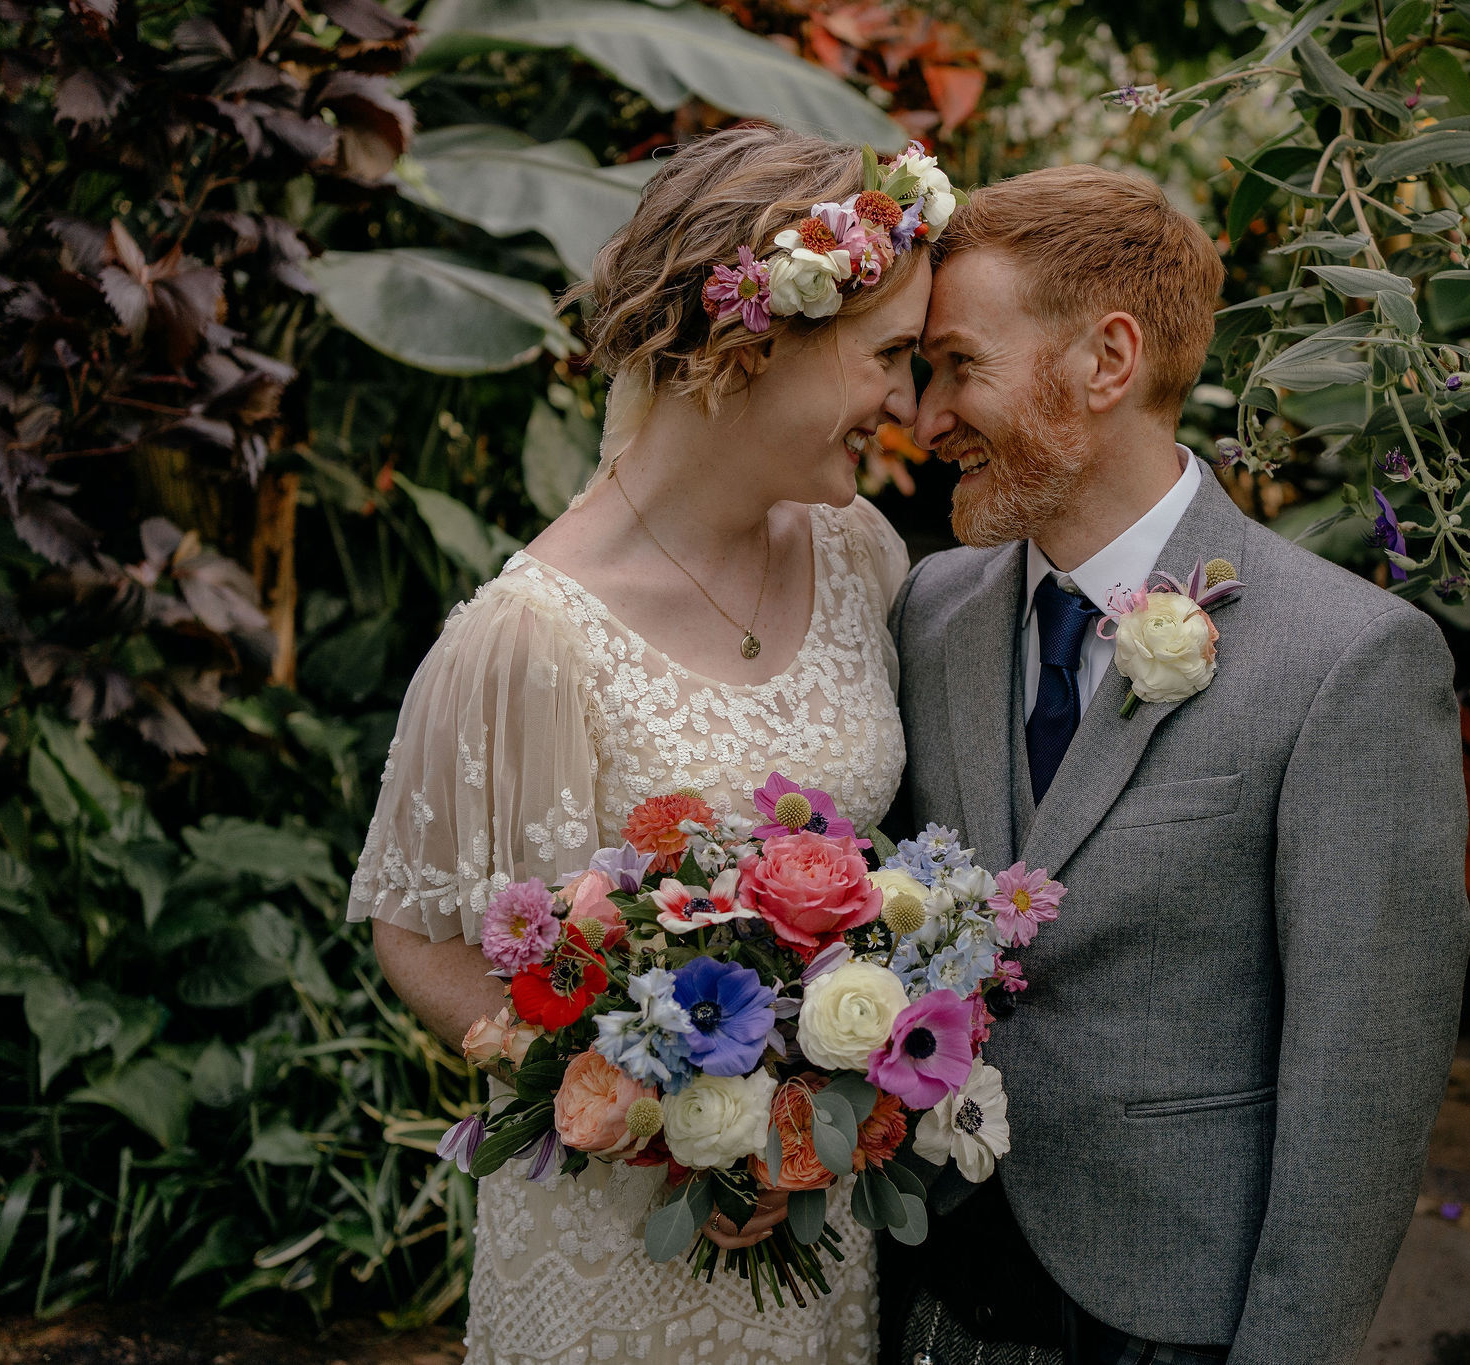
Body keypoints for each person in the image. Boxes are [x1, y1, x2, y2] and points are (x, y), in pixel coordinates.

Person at [347, 124, 939, 1365]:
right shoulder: (528, 637)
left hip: (818, 1231)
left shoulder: (859, 558)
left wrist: (817, 1097)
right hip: (618, 1255)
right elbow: (413, 926)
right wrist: (656, 1113)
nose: (907, 402)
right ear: (754, 338)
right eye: (888, 355)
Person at [886, 164, 1470, 1365]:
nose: (923, 417)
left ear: (1106, 362)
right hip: (930, 1282)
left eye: (958, 366)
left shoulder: (1348, 661)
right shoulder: (929, 610)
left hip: (1174, 1312)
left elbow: (1362, 1079)